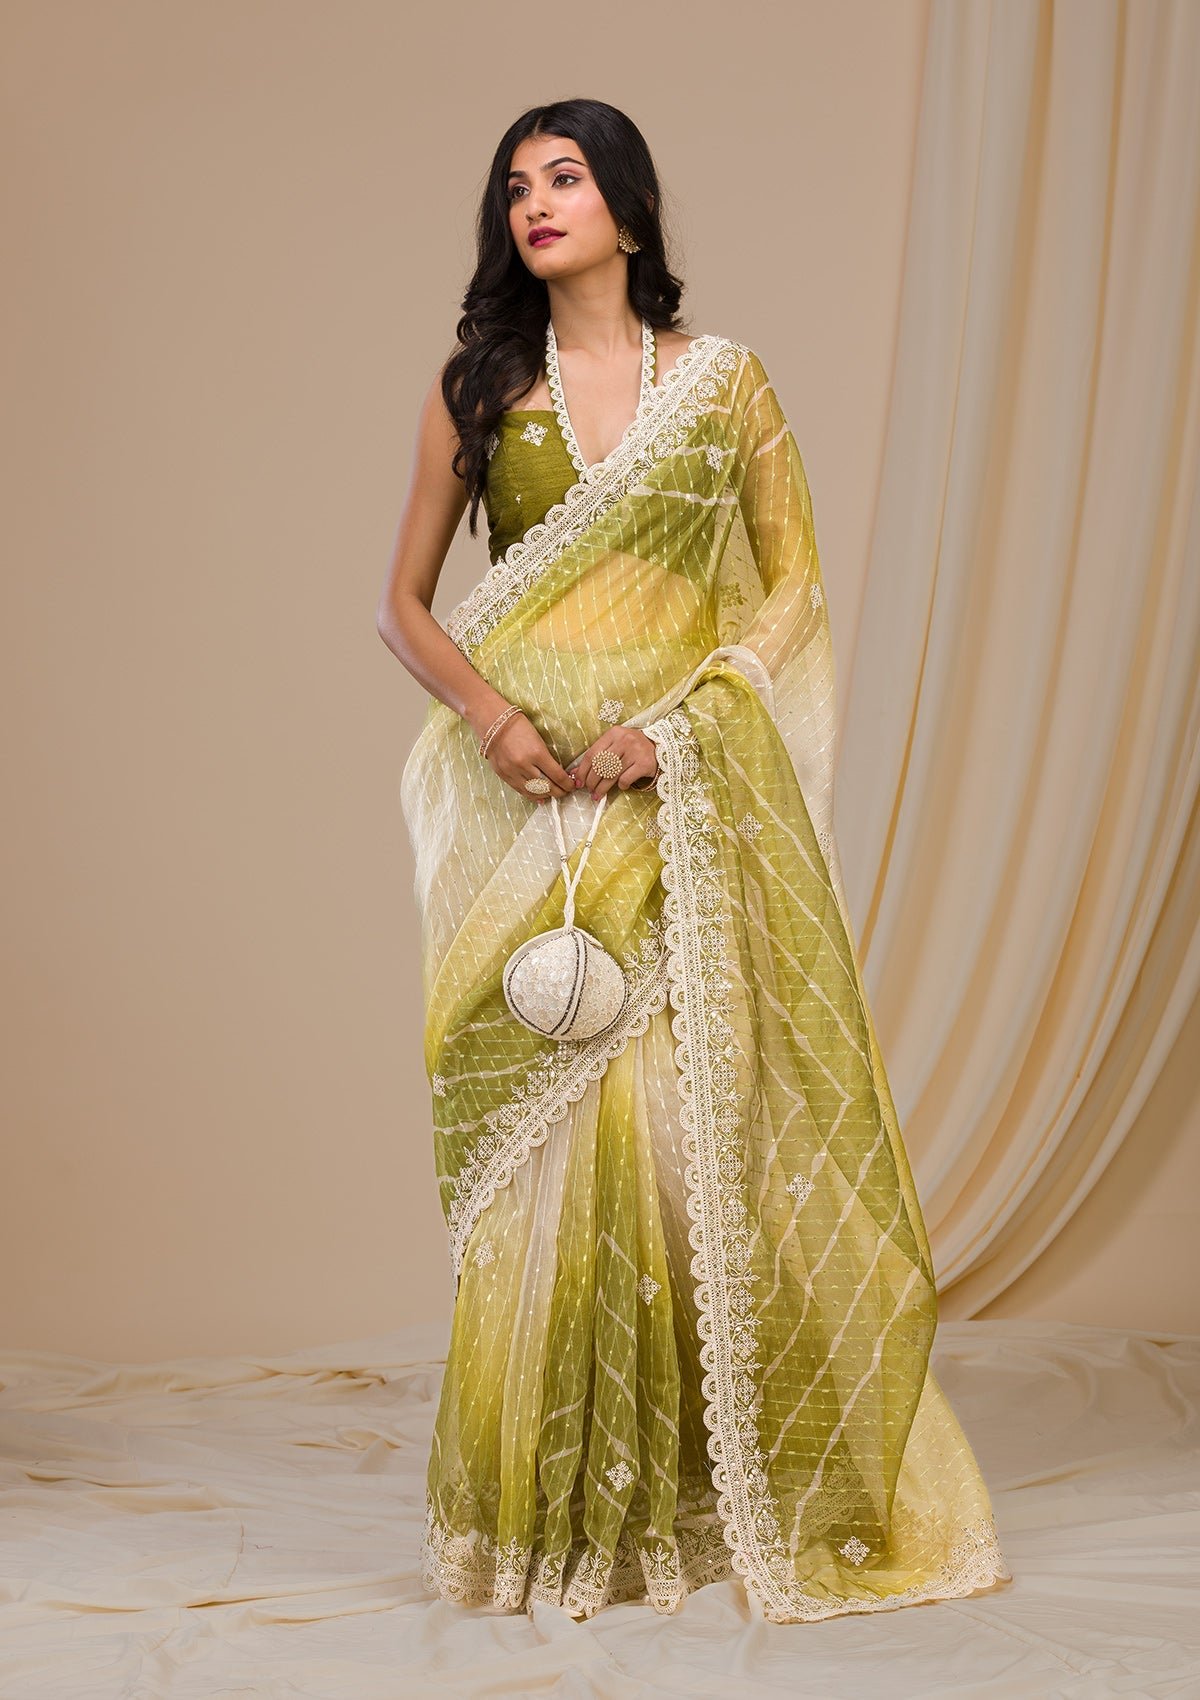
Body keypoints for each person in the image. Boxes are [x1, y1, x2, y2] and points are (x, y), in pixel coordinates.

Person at [377, 97, 1011, 1624]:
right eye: (515, 186)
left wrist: (679, 728)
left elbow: (792, 591)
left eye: (565, 176)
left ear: (629, 205)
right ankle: (549, 1510)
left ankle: (684, 1485)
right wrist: (493, 721)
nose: (535, 203)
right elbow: (401, 604)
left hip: (678, 801)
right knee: (543, 1152)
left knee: (674, 1136)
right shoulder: (481, 388)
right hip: (531, 808)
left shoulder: (724, 384)